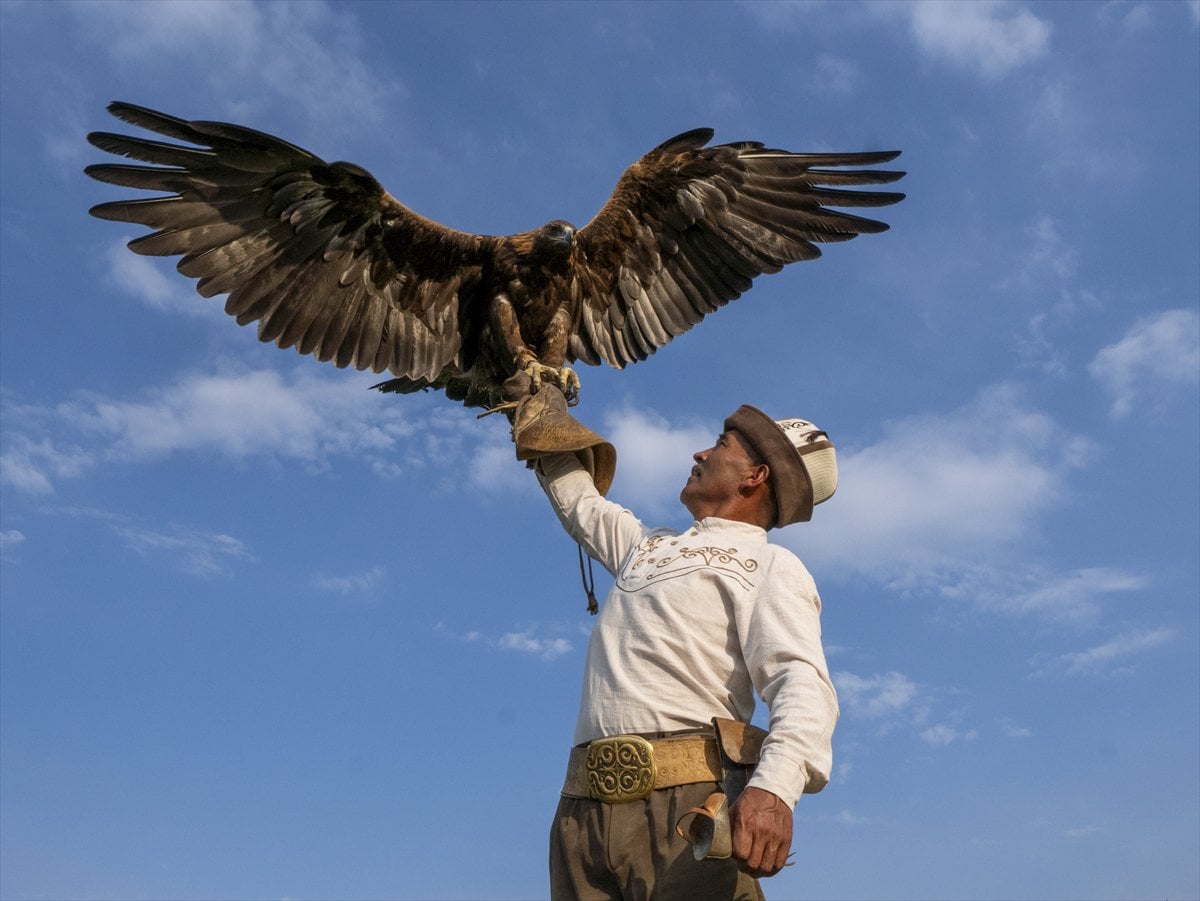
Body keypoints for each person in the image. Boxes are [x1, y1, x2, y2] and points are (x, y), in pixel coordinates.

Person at [521, 397, 840, 900]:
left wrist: (775, 788)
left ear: (754, 476)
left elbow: (801, 686)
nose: (699, 453)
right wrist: (535, 408)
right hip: (581, 811)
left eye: (718, 445)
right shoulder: (646, 548)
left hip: (688, 809)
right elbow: (582, 504)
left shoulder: (770, 564)